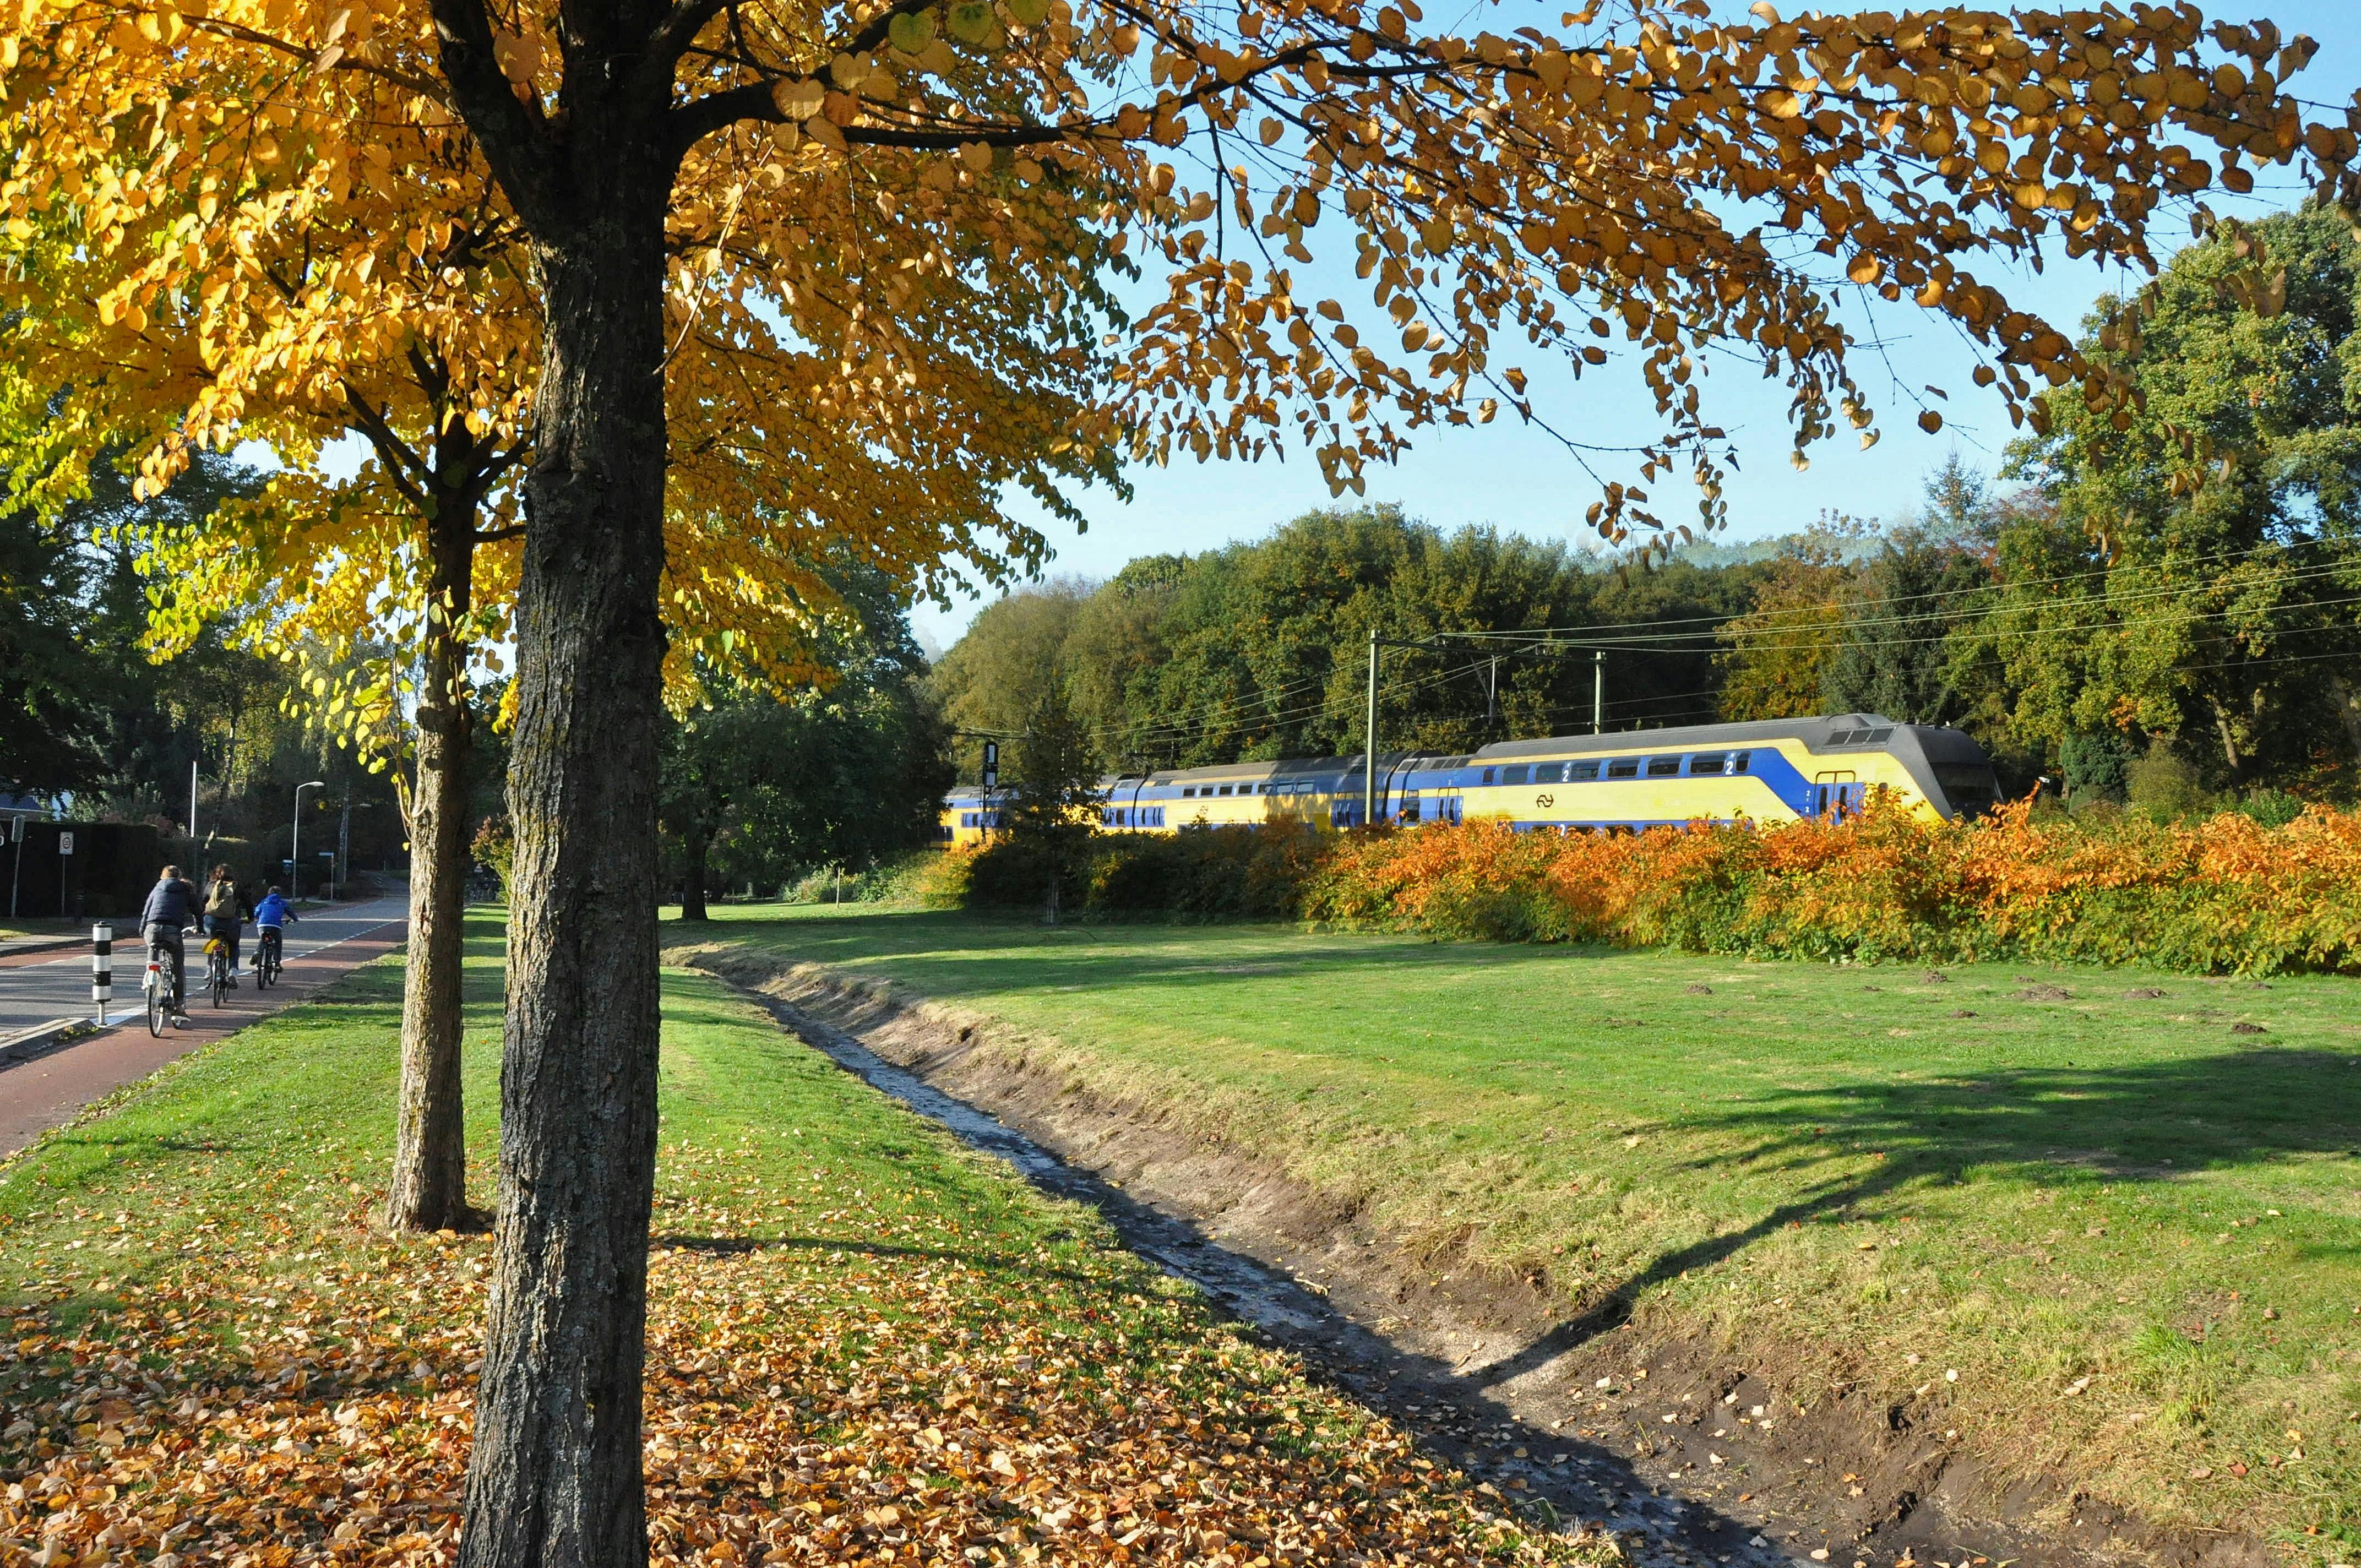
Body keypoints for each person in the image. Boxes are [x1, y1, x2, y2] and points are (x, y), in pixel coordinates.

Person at [138, 863, 203, 1022]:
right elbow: (197, 910)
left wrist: (142, 930)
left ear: (163, 876)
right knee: (177, 968)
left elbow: (146, 911)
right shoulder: (185, 889)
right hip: (172, 930)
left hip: (152, 929)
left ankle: (150, 975)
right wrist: (200, 928)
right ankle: (179, 1007)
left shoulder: (157, 888)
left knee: (153, 953)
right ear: (179, 876)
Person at [201, 863, 248, 987]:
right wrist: (250, 918)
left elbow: (202, 903)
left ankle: (209, 970)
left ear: (216, 873)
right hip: (231, 922)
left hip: (212, 922)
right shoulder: (237, 887)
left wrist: (201, 920)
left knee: (213, 942)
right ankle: (233, 972)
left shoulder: (211, 885)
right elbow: (248, 903)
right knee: (234, 946)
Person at [252, 885, 297, 976]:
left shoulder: (263, 902)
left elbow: (256, 912)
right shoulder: (282, 902)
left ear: (269, 893)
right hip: (276, 926)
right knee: (278, 943)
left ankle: (258, 952)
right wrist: (295, 919)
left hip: (263, 925)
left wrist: (254, 916)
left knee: (263, 938)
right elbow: (290, 912)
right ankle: (277, 964)